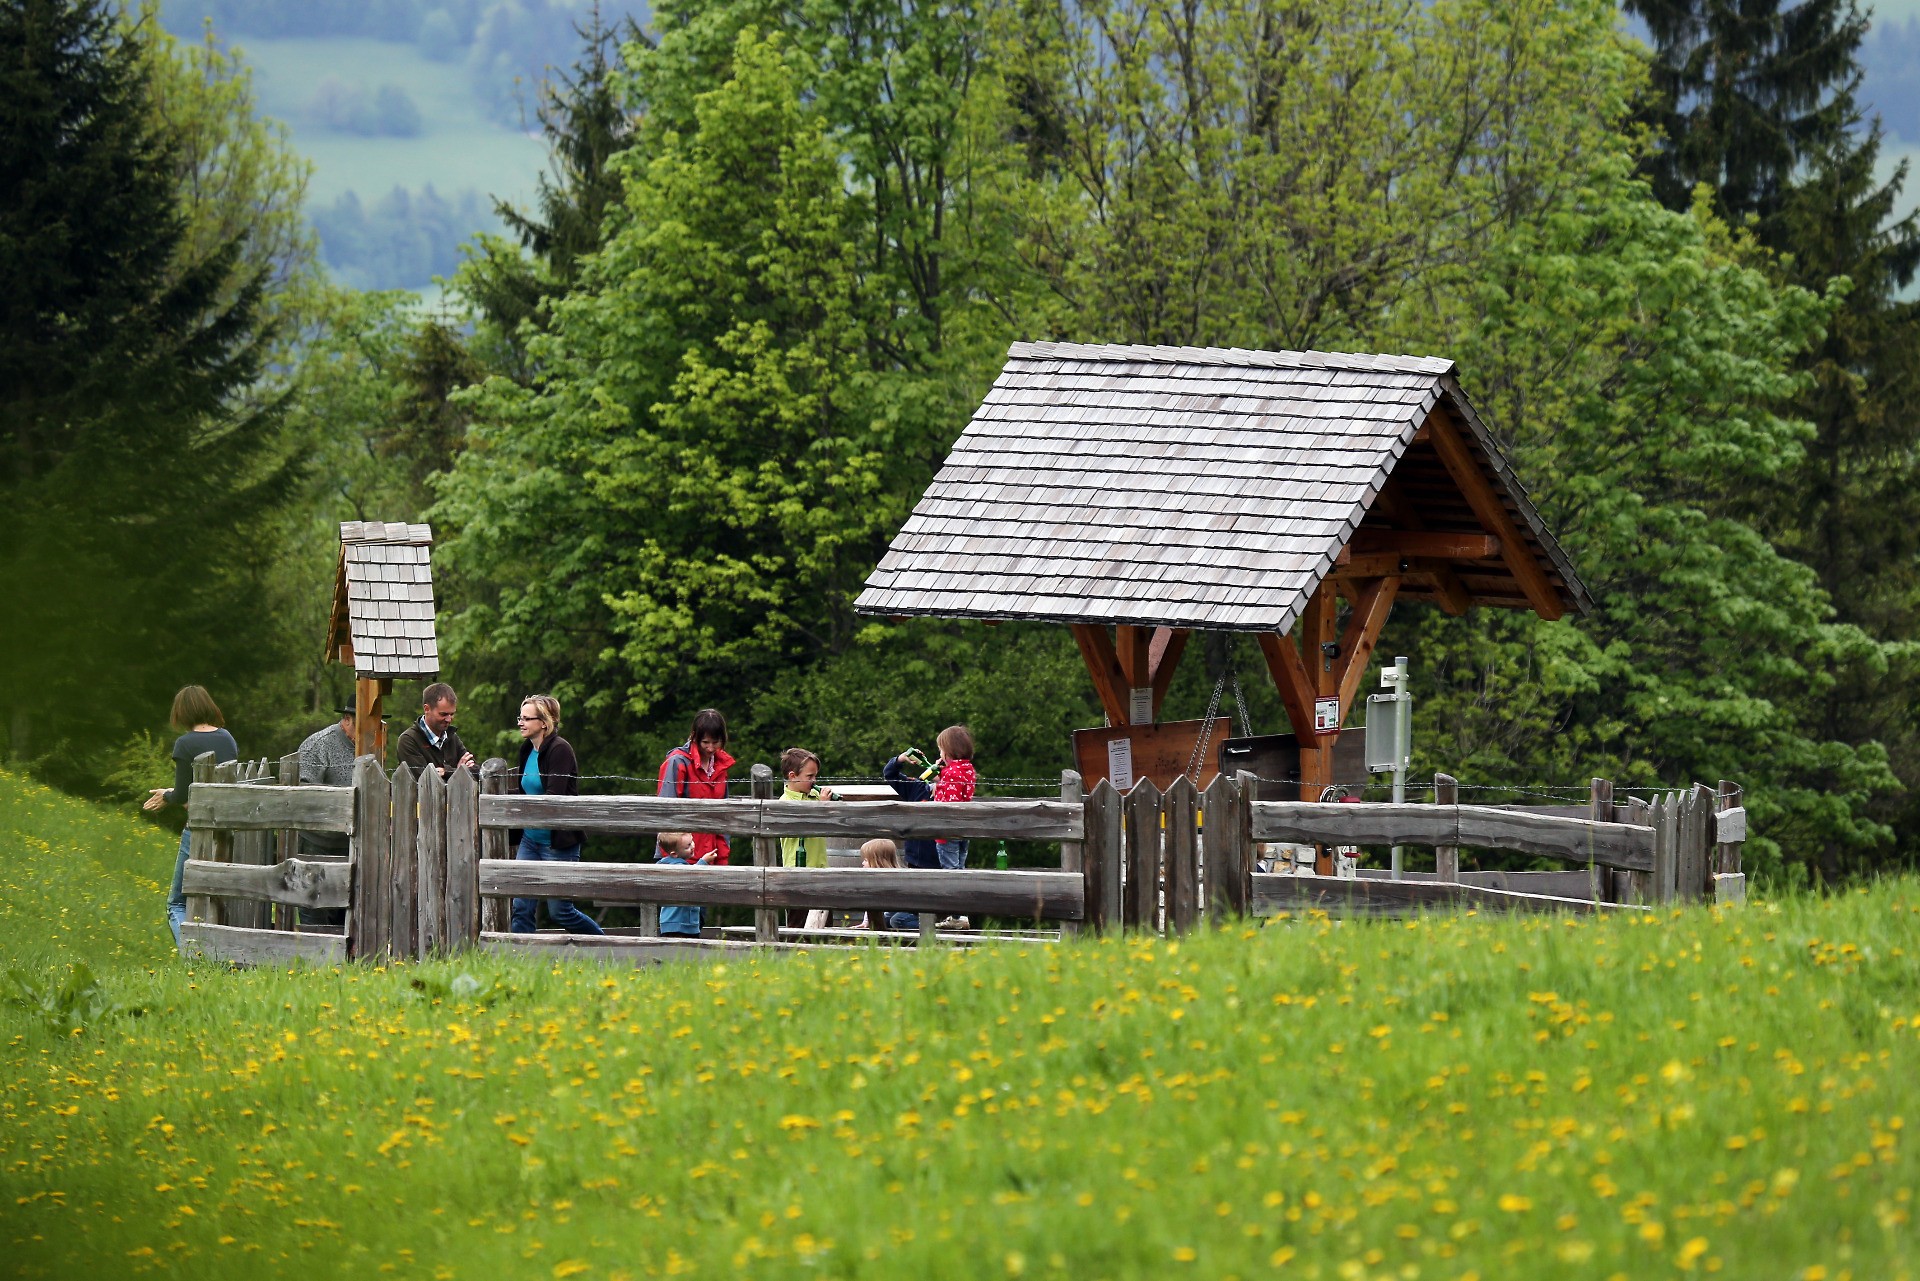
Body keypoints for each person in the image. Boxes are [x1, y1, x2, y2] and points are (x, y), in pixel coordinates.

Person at [143, 685, 238, 946]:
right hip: (231, 827)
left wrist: (166, 796)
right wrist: (173, 793)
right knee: (219, 895)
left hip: (198, 830)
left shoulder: (185, 743)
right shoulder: (227, 738)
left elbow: (185, 795)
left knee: (176, 903)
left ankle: (195, 955)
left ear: (182, 712)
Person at [509, 694, 604, 936]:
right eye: (520, 717)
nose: (521, 723)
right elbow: (523, 791)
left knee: (561, 911)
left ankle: (606, 947)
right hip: (530, 840)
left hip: (558, 843)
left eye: (527, 718)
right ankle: (520, 960)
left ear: (544, 722)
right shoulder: (526, 749)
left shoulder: (560, 750)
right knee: (521, 905)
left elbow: (553, 797)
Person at [294, 699, 360, 927]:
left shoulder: (372, 743)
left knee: (347, 908)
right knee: (314, 904)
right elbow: (306, 794)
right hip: (317, 842)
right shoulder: (319, 745)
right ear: (347, 720)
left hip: (351, 842)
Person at [657, 709, 735, 865]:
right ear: (694, 737)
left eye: (716, 742)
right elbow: (665, 813)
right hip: (680, 857)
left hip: (710, 856)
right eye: (706, 742)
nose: (711, 748)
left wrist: (722, 859)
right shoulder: (678, 763)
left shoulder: (720, 767)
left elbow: (723, 816)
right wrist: (671, 861)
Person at [394, 681, 475, 778]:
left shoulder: (451, 737)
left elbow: (476, 771)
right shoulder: (409, 740)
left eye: (452, 714)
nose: (449, 719)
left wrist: (446, 772)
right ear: (426, 709)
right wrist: (459, 771)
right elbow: (424, 779)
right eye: (443, 714)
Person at [850, 837, 916, 932]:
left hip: (912, 912)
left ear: (877, 861)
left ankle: (930, 928)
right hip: (895, 911)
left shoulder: (898, 878)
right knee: (884, 919)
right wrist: (866, 922)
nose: (862, 863)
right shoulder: (872, 879)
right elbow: (871, 903)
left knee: (897, 920)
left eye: (866, 860)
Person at [654, 831, 712, 938]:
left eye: (692, 842)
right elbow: (690, 875)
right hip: (682, 923)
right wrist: (703, 862)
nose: (693, 846)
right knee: (687, 952)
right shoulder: (675, 867)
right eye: (688, 846)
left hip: (670, 923)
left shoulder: (664, 865)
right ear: (674, 854)